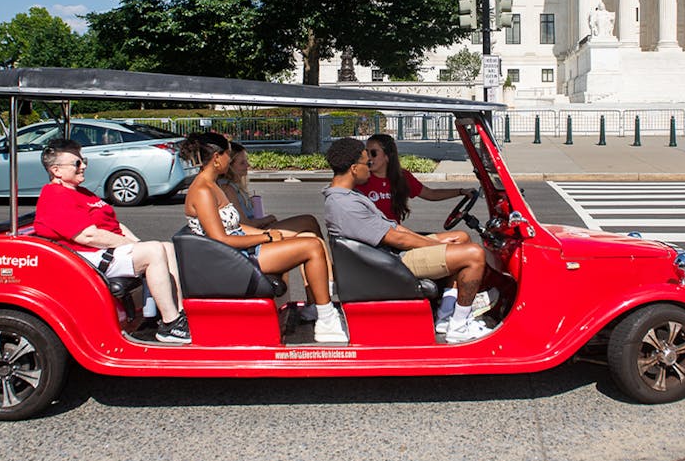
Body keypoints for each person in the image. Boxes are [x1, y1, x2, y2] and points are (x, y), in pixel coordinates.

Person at [324, 137, 494, 344]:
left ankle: (445, 315)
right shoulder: (345, 203)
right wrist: (438, 246)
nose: (368, 167)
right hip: (390, 262)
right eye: (365, 162)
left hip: (387, 253)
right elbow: (397, 239)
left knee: (460, 238)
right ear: (353, 168)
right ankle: (459, 326)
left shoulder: (350, 196)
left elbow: (395, 229)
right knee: (474, 254)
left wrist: (438, 243)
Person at [183, 132, 347, 343]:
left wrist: (265, 234)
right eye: (227, 155)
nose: (229, 160)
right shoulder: (203, 191)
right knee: (312, 246)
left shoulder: (212, 186)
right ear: (216, 158)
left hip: (237, 252)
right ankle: (326, 320)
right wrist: (265, 238)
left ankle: (320, 309)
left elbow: (234, 227)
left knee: (306, 240)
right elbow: (221, 239)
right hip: (231, 259)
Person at [32, 138, 190, 344]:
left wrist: (136, 242)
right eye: (77, 163)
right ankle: (170, 324)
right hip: (86, 257)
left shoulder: (80, 193)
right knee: (153, 252)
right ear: (56, 170)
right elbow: (88, 235)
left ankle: (176, 317)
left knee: (165, 248)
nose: (84, 166)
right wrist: (132, 246)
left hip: (101, 251)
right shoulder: (56, 196)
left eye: (83, 160)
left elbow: (112, 223)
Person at [217, 139, 334, 320]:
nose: (247, 165)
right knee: (311, 238)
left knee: (310, 231)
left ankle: (317, 297)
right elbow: (242, 225)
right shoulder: (226, 189)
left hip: (255, 231)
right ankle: (327, 284)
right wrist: (267, 227)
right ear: (229, 165)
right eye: (242, 163)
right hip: (252, 236)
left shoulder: (235, 188)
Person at [360, 134, 474, 225]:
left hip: (395, 236)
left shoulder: (402, 177)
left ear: (387, 156)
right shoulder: (361, 178)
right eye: (366, 153)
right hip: (374, 242)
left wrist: (460, 191)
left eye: (373, 153)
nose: (368, 158)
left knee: (459, 239)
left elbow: (431, 194)